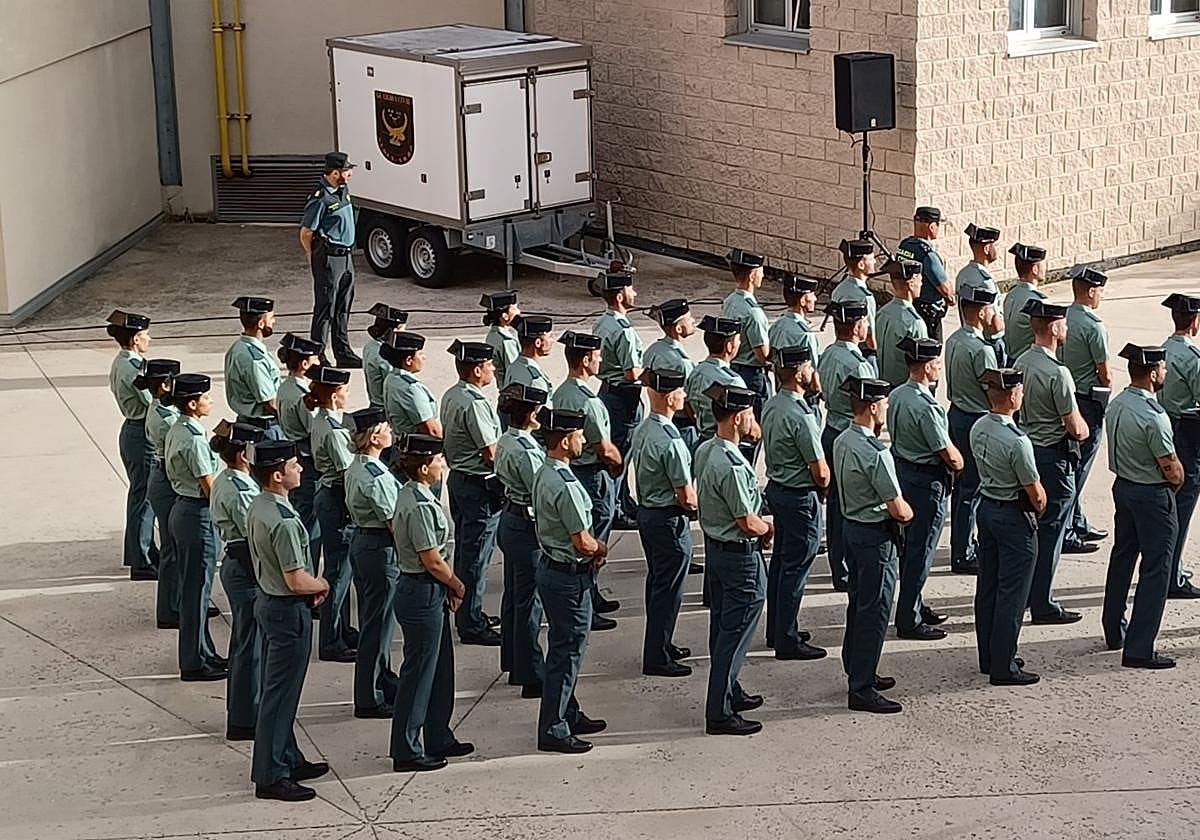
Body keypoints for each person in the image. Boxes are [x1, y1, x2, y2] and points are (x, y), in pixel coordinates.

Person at [246, 439, 331, 802]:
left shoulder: (261, 505)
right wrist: (323, 583)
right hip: (286, 609)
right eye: (294, 465)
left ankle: (288, 757)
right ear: (277, 475)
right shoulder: (281, 519)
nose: (300, 469)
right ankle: (271, 774)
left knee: (276, 691)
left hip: (269, 602)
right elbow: (297, 579)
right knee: (280, 696)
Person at [390, 433, 473, 772]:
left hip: (429, 590)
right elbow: (431, 559)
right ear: (425, 467)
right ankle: (406, 749)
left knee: (440, 670)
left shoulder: (413, 494)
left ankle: (438, 734)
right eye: (438, 460)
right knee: (420, 673)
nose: (443, 464)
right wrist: (457, 584)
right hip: (422, 589)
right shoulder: (419, 505)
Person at [833, 377, 913, 714]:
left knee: (859, 603)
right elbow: (898, 508)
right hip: (876, 536)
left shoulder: (842, 440)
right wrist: (910, 512)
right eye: (884, 404)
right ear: (873, 406)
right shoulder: (876, 453)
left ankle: (857, 668)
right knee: (875, 611)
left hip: (852, 528)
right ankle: (862, 687)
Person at [532, 408, 610, 754]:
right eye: (579, 435)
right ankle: (554, 726)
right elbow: (582, 540)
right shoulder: (565, 485)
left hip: (552, 568)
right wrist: (601, 547)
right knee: (567, 653)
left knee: (564, 649)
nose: (583, 440)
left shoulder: (544, 472)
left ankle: (569, 711)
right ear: (565, 441)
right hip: (568, 575)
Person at [694, 383, 770, 735]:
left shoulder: (707, 449)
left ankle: (731, 689)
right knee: (734, 635)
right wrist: (770, 531)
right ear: (739, 418)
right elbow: (747, 521)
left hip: (717, 551)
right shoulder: (734, 466)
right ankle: (719, 711)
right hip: (740, 556)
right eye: (750, 414)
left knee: (723, 627)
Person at [1103, 344, 1184, 670]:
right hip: (1152, 495)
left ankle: (1113, 628)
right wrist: (1175, 483)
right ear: (1153, 374)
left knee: (1123, 555)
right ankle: (1139, 647)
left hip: (1123, 487)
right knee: (1156, 569)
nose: (1165, 372)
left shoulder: (1119, 404)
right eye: (1162, 369)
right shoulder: (1155, 417)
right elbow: (1172, 468)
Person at [1014, 299, 1089, 625]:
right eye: (1064, 323)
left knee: (1031, 529)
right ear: (1055, 327)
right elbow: (1075, 427)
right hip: (1054, 458)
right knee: (1052, 531)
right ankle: (1042, 601)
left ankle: (1028, 591)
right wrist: (1087, 425)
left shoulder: (1021, 361)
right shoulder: (1058, 373)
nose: (1067, 328)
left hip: (1028, 450)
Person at [971, 368, 1046, 686]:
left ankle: (989, 656)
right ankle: (1004, 665)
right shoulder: (1018, 442)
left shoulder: (979, 427)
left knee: (987, 586)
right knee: (1012, 594)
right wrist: (1039, 508)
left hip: (987, 506)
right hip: (1014, 515)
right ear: (1013, 396)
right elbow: (1036, 493)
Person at [887, 338, 961, 640]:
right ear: (928, 367)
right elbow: (947, 453)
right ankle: (909, 617)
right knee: (921, 549)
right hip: (926, 479)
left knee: (910, 546)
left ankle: (914, 602)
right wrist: (960, 464)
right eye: (937, 364)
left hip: (903, 470)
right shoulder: (926, 406)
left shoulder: (897, 395)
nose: (940, 368)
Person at [761, 345, 830, 660]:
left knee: (781, 563)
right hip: (800, 496)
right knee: (796, 567)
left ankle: (777, 629)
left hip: (779, 489)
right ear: (800, 371)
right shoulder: (801, 415)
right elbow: (820, 470)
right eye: (809, 366)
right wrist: (826, 484)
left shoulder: (773, 404)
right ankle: (787, 638)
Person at [552, 330, 623, 629]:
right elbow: (604, 448)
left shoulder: (562, 392)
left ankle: (592, 594)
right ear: (585, 360)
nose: (601, 360)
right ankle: (587, 602)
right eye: (597, 356)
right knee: (593, 541)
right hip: (592, 475)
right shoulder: (589, 402)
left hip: (574, 470)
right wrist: (618, 466)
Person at [629, 369, 697, 677]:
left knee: (658, 583)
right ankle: (657, 655)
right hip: (668, 518)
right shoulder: (672, 440)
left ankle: (661, 643)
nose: (685, 396)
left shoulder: (645, 429)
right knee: (669, 590)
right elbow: (686, 495)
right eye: (681, 392)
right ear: (670, 397)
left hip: (649, 514)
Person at [442, 340, 504, 645]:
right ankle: (471, 620)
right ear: (477, 369)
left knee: (468, 551)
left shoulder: (453, 395)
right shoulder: (475, 403)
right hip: (478, 484)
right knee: (476, 555)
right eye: (489, 364)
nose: (493, 368)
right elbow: (491, 452)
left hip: (460, 479)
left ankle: (469, 611)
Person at [164, 373, 225, 681]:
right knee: (196, 592)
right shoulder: (194, 438)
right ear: (192, 403)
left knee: (196, 590)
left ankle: (204, 651)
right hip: (196, 514)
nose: (211, 401)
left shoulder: (179, 429)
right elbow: (210, 486)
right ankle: (193, 660)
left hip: (183, 509)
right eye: (206, 397)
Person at [208, 420, 265, 740]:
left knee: (246, 642)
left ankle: (244, 712)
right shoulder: (240, 490)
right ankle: (245, 717)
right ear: (244, 455)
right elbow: (252, 536)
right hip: (245, 566)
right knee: (250, 645)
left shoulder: (231, 480)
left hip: (239, 564)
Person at [344, 406, 401, 719]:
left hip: (366, 543)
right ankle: (370, 694)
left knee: (375, 619)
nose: (391, 432)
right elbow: (393, 521)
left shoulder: (360, 466)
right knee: (377, 624)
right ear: (375, 436)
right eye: (386, 428)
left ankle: (381, 678)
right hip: (379, 547)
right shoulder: (375, 476)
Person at [815, 300, 876, 592]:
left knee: (836, 503)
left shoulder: (828, 354)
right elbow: (869, 407)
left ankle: (838, 566)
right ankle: (848, 567)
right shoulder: (858, 364)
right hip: (850, 432)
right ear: (856, 326)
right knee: (853, 504)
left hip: (831, 428)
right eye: (865, 321)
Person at [494, 384, 550, 697]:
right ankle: (530, 672)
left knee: (515, 595)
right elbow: (539, 491)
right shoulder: (526, 450)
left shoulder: (508, 439)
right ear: (531, 414)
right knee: (529, 602)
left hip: (511, 519)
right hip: (526, 525)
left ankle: (514, 660)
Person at [943, 285, 1000, 574]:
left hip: (957, 414)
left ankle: (962, 544)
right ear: (980, 312)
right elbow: (992, 392)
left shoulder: (954, 340)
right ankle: (963, 551)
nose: (993, 313)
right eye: (990, 308)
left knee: (963, 487)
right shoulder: (982, 350)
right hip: (976, 419)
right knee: (972, 488)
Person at [1059, 265, 1112, 554]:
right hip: (1088, 401)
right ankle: (1067, 528)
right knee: (1079, 467)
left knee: (1071, 462)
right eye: (1100, 290)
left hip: (1066, 398)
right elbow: (1105, 373)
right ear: (1091, 291)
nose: (1101, 296)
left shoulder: (1062, 317)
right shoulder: (1094, 326)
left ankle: (1076, 520)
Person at [308, 365, 359, 661]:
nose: (347, 395)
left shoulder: (326, 420)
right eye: (344, 391)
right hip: (337, 497)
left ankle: (341, 627)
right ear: (335, 395)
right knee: (338, 571)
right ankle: (330, 638)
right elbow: (347, 471)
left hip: (331, 495)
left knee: (343, 568)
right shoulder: (333, 430)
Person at [106, 309, 159, 579]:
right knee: (145, 497)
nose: (149, 339)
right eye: (145, 335)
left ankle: (141, 551)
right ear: (136, 339)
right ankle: (142, 558)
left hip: (132, 429)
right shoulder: (136, 367)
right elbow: (152, 402)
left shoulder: (120, 362)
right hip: (142, 432)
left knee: (139, 494)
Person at [592, 269, 645, 530]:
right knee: (619, 456)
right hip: (625, 396)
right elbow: (632, 372)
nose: (634, 293)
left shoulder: (602, 322)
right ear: (620, 295)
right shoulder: (624, 331)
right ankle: (615, 508)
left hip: (608, 390)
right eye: (631, 289)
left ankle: (622, 499)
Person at [300, 151, 360, 368]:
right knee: (326, 308)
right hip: (329, 258)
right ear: (335, 173)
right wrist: (312, 255)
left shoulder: (342, 191)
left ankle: (343, 352)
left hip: (346, 258)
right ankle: (317, 355)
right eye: (347, 171)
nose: (350, 174)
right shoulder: (320, 198)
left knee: (343, 305)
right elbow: (306, 232)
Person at [1159, 293, 1200, 599]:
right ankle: (1172, 575)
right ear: (1195, 322)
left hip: (1167, 427)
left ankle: (1170, 567)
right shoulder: (1192, 358)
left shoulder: (1162, 349)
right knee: (1183, 507)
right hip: (1188, 433)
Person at [275, 333, 324, 567]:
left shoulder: (285, 387)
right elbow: (315, 431)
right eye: (316, 360)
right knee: (309, 524)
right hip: (307, 458)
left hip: (294, 452)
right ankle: (308, 569)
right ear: (305, 364)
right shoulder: (302, 394)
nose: (319, 363)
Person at [141, 359, 182, 628]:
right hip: (168, 480)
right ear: (165, 385)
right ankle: (170, 608)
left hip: (163, 477)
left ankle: (178, 602)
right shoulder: (168, 419)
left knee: (175, 547)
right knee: (172, 547)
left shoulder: (160, 409)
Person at [721, 249, 772, 462]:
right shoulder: (754, 312)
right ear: (752, 275)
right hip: (752, 376)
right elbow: (763, 355)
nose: (763, 275)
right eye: (760, 271)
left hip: (733, 368)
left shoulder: (730, 301)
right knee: (751, 434)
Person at [643, 298, 700, 454]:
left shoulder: (652, 351)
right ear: (679, 329)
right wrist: (697, 421)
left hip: (656, 418)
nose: (693, 320)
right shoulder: (681, 362)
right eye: (689, 319)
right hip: (682, 424)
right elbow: (689, 401)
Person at [224, 297, 282, 438]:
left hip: (246, 423)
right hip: (264, 430)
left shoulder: (237, 348)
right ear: (261, 324)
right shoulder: (255, 359)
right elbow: (270, 403)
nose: (274, 321)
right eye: (271, 318)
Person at [896, 206, 954, 340]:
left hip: (907, 306)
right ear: (932, 226)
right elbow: (946, 290)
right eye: (938, 225)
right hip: (928, 314)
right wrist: (950, 296)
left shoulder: (904, 245)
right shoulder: (928, 255)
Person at [956, 223, 1007, 365]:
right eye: (994, 245)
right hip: (990, 342)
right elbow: (994, 325)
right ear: (986, 248)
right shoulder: (986, 281)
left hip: (968, 335)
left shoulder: (963, 274)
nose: (996, 250)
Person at [873, 259, 929, 388]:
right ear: (911, 284)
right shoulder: (914, 323)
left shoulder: (882, 313)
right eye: (920, 280)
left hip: (882, 384)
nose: (921, 284)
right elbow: (921, 367)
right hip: (904, 389)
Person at [381, 332, 441, 442]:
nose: (424, 357)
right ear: (409, 360)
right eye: (420, 354)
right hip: (419, 447)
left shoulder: (392, 378)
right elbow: (431, 431)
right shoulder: (410, 388)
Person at [769, 273, 822, 389]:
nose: (815, 299)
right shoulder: (805, 335)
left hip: (782, 389)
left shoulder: (776, 326)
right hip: (802, 390)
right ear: (802, 301)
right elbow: (814, 374)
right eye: (812, 295)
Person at [830, 239, 879, 358]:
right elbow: (870, 340)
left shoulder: (838, 290)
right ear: (861, 265)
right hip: (863, 353)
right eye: (871, 259)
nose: (875, 262)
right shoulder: (865, 297)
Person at [1001, 243, 1048, 360]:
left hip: (1011, 359)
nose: (1046, 268)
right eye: (1043, 264)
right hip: (1030, 363)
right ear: (1035, 270)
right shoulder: (1038, 301)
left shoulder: (1011, 295)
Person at [362, 303, 408, 407]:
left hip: (374, 401)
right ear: (394, 331)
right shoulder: (386, 354)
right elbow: (396, 384)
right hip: (387, 406)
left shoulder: (369, 346)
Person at [504, 314, 556, 399]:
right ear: (538, 343)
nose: (552, 340)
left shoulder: (514, 366)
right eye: (550, 337)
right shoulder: (535, 380)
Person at [481, 291, 521, 388]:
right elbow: (515, 371)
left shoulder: (493, 334)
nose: (519, 311)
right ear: (505, 316)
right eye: (514, 308)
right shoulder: (506, 341)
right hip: (512, 390)